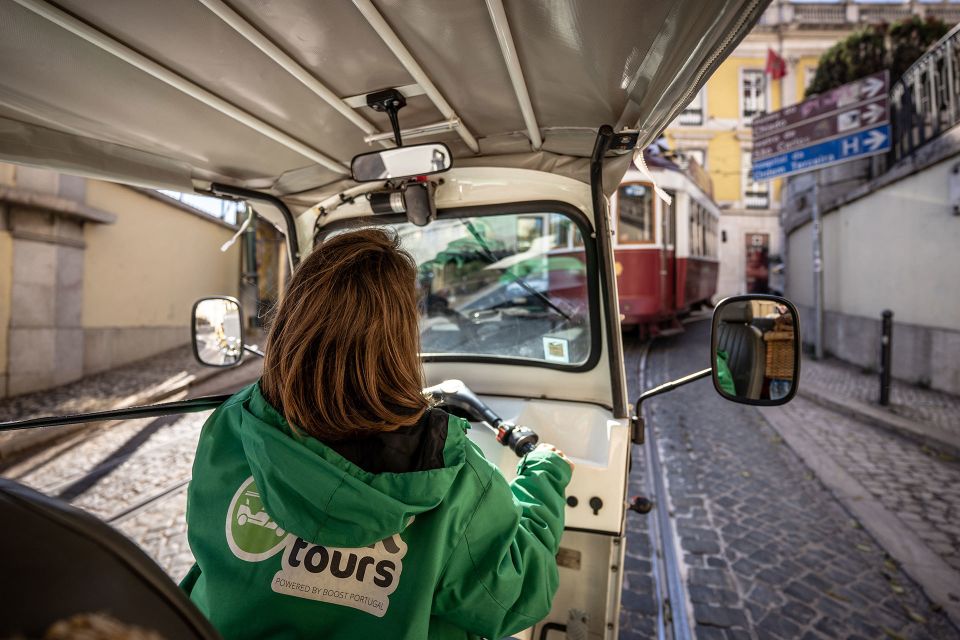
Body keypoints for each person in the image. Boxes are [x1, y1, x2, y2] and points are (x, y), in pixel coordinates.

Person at [181, 228, 573, 639]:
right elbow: (520, 597)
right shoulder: (451, 478)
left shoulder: (233, 424)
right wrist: (545, 476)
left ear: (290, 324)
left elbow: (205, 542)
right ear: (401, 343)